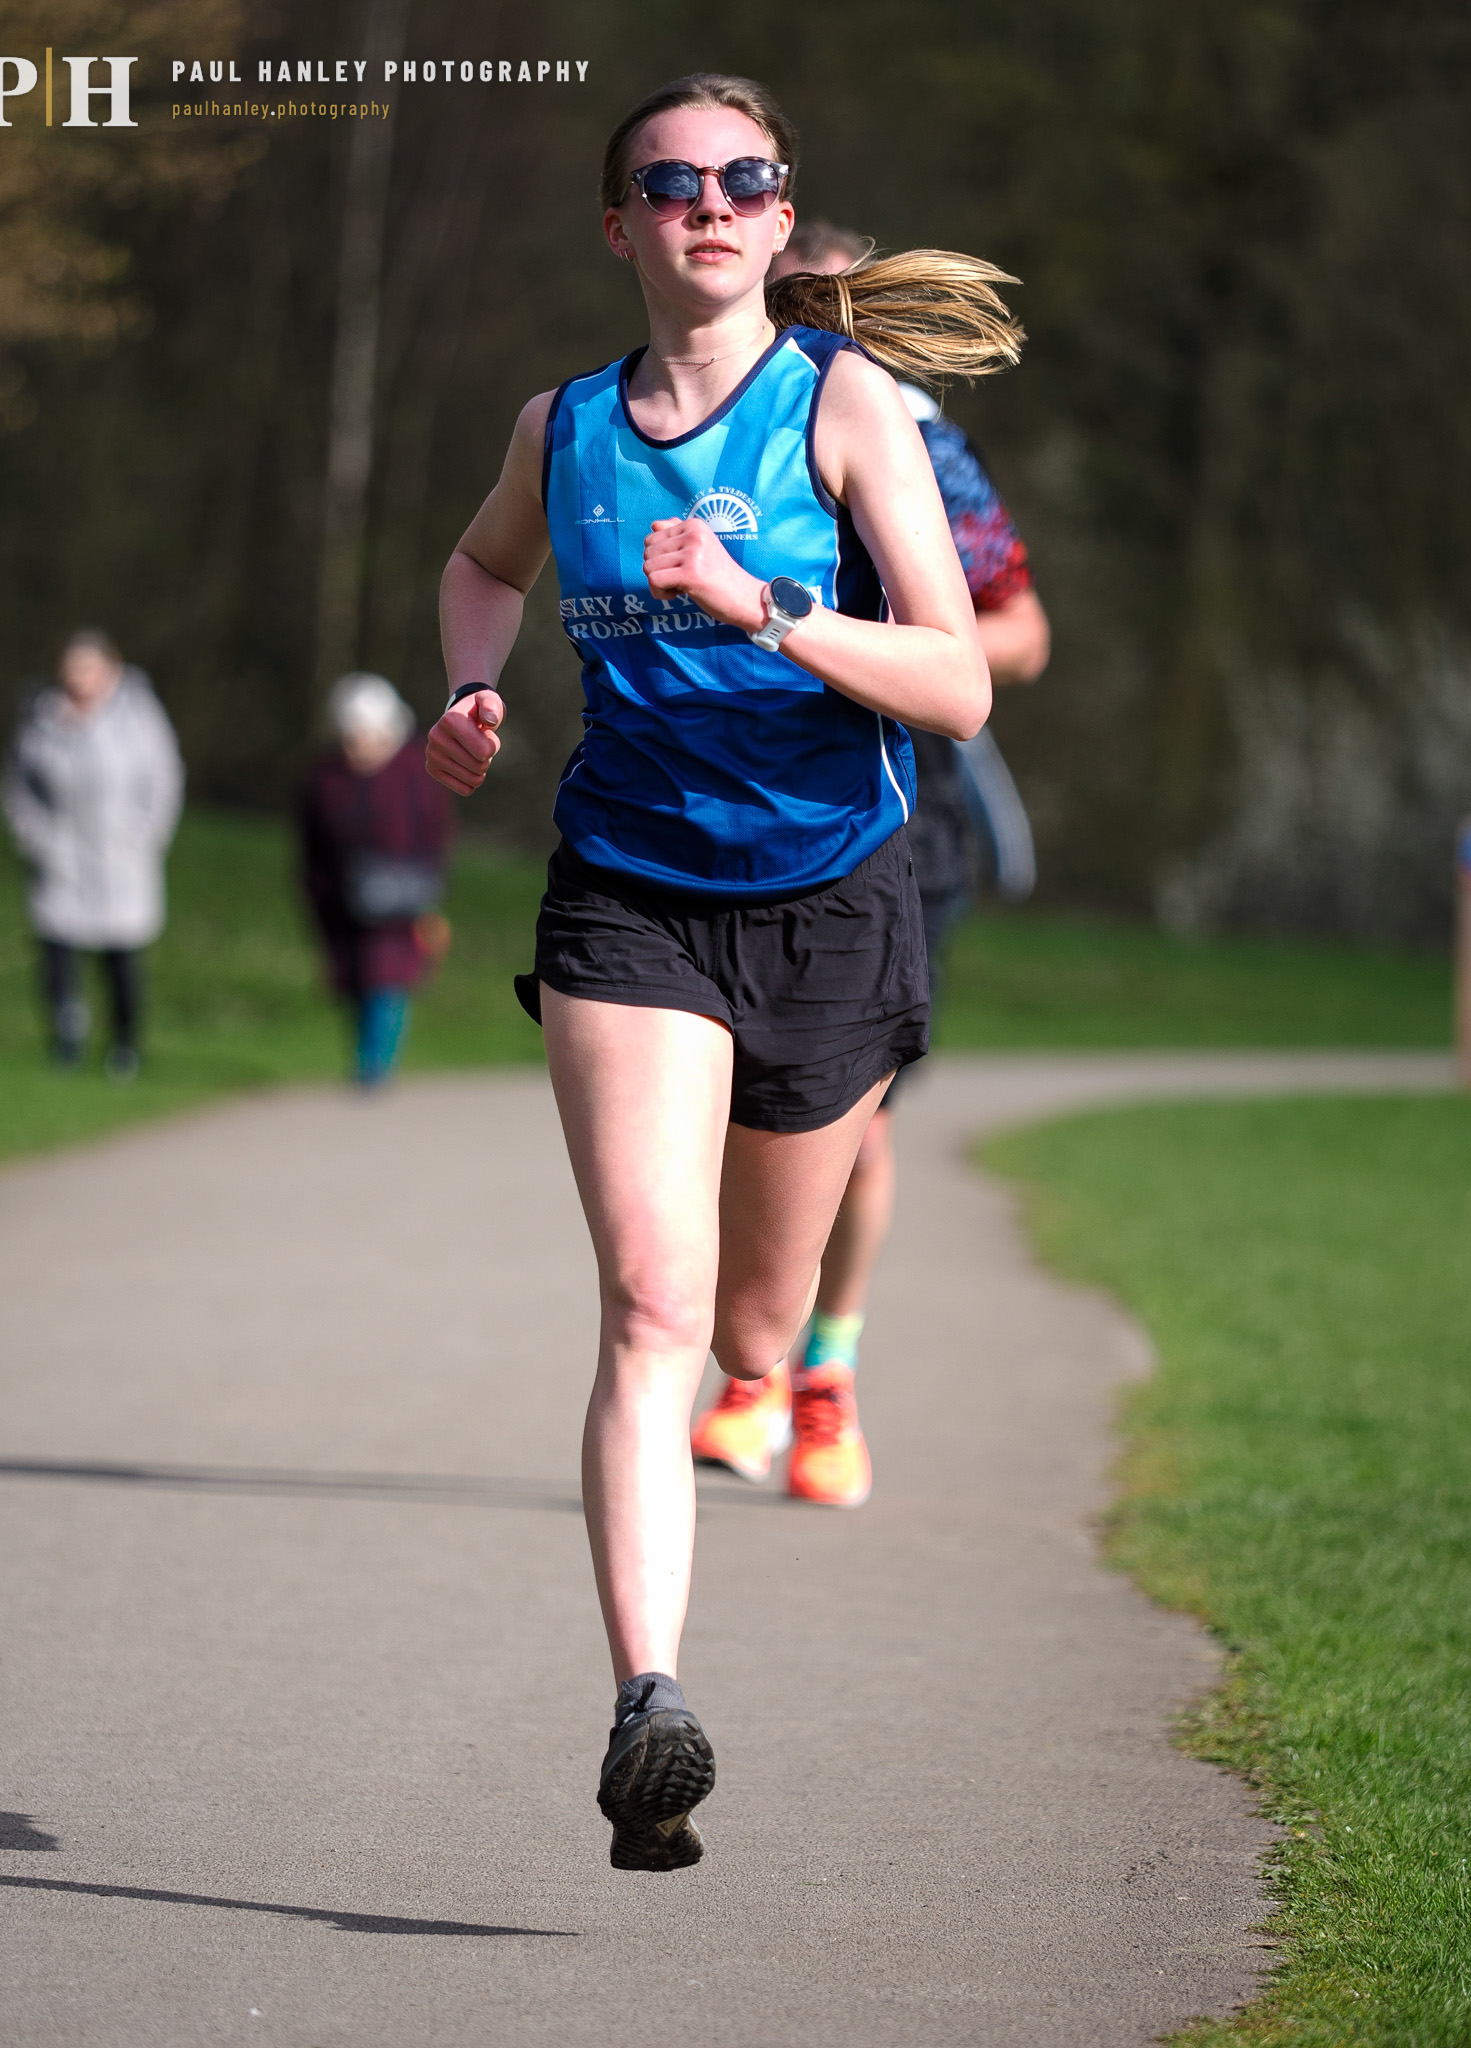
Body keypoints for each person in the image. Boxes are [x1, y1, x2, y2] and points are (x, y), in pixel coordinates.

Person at [425, 72, 1020, 1873]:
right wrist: (469, 689)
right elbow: (476, 564)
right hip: (629, 897)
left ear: (776, 219)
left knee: (750, 1329)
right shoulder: (565, 427)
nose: (708, 202)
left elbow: (960, 678)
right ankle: (647, 1705)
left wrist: (771, 607)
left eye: (742, 178)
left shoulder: (842, 410)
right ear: (621, 226)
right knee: (648, 1309)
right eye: (668, 182)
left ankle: (788, 1371)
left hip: (833, 899)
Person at [691, 221, 1052, 1508]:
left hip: (902, 806)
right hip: (724, 802)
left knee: (852, 1112)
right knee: (724, 1101)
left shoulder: (923, 446)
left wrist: (898, 631)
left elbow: (1018, 637)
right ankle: (749, 1359)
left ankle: (818, 1375)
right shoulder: (693, 426)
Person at [0, 628, 184, 1079]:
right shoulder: (41, 718)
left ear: (111, 671)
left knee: (120, 957)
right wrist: (36, 837)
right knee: (57, 953)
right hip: (60, 857)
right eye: (72, 669)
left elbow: (163, 780)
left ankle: (125, 1043)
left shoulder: (138, 717)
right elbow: (16, 786)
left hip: (122, 857)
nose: (79, 678)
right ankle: (67, 1038)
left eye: (88, 668)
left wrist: (145, 836)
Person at [299, 673, 455, 1088]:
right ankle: (364, 1058)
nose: (359, 747)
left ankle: (374, 1066)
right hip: (342, 898)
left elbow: (435, 833)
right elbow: (311, 841)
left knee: (387, 980)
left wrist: (428, 883)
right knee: (353, 980)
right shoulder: (325, 779)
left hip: (401, 898)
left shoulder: (415, 771)